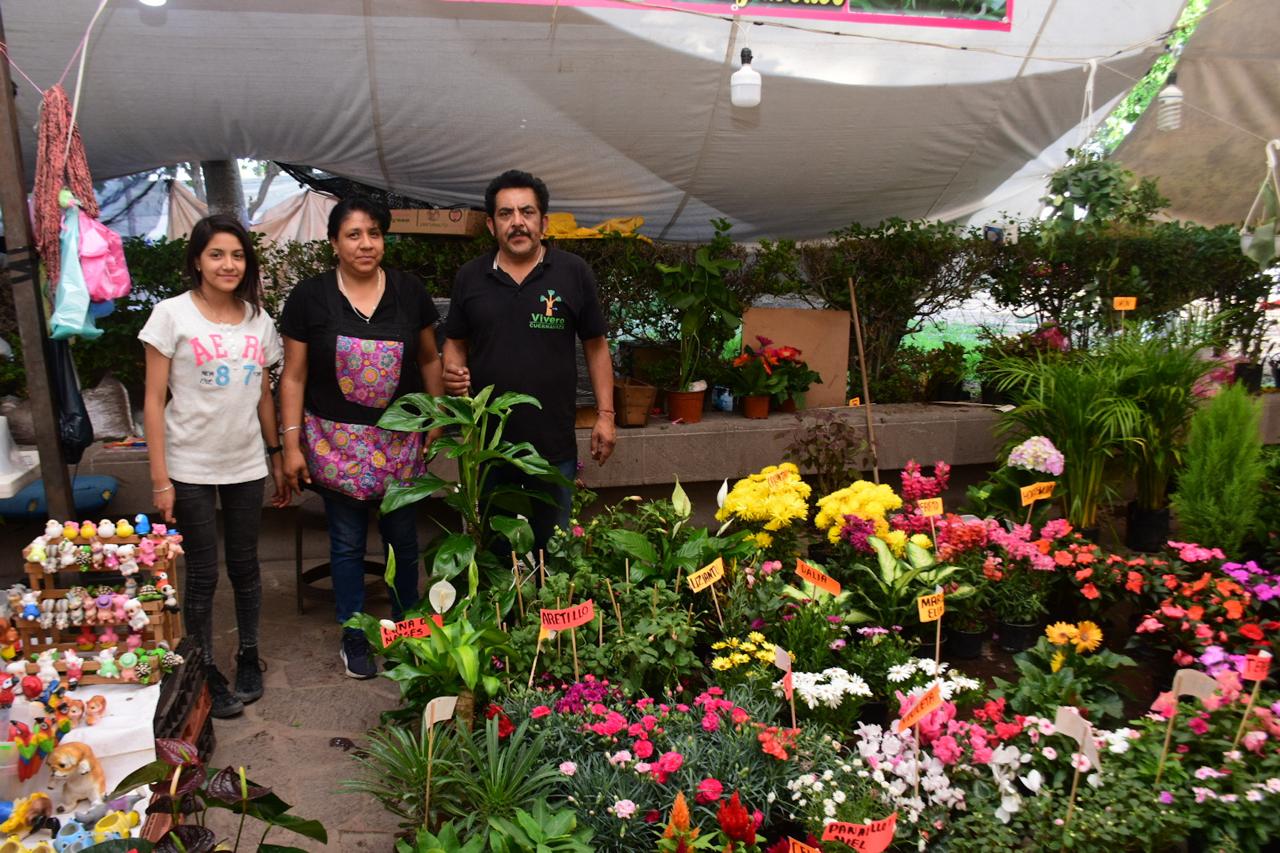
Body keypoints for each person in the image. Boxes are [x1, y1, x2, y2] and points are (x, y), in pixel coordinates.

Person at [279, 196, 444, 679]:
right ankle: (355, 635)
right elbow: (292, 376)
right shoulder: (310, 298)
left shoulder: (409, 292)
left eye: (374, 233)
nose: (365, 243)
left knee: (402, 541)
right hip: (335, 445)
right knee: (347, 544)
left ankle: (409, 631)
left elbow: (431, 360)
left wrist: (436, 417)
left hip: (399, 444)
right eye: (353, 234)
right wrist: (291, 445)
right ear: (334, 243)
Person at [140, 214, 289, 719]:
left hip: (246, 464)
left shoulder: (258, 321)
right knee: (202, 575)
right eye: (217, 254)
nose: (228, 264)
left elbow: (264, 395)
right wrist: (160, 479)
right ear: (197, 261)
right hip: (190, 466)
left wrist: (275, 456)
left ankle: (249, 656)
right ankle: (203, 669)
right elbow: (153, 401)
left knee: (247, 568)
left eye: (237, 255)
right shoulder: (171, 315)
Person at [443, 170, 616, 552]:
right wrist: (452, 373)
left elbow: (597, 346)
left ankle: (547, 612)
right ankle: (504, 615)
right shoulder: (470, 278)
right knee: (494, 553)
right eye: (505, 214)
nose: (517, 222)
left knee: (552, 552)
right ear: (491, 224)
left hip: (551, 446)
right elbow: (454, 342)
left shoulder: (573, 273)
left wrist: (605, 414)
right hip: (487, 449)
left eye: (527, 212)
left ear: (544, 222)